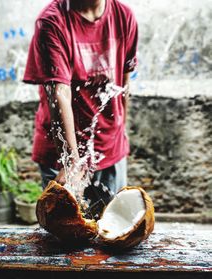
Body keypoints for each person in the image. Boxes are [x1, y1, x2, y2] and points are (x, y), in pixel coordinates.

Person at [23, 0, 138, 215]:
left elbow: (124, 84)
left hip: (109, 150)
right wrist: (72, 162)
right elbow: (60, 93)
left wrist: (120, 132)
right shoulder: (52, 21)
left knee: (113, 230)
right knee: (65, 236)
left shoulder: (124, 17)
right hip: (62, 153)